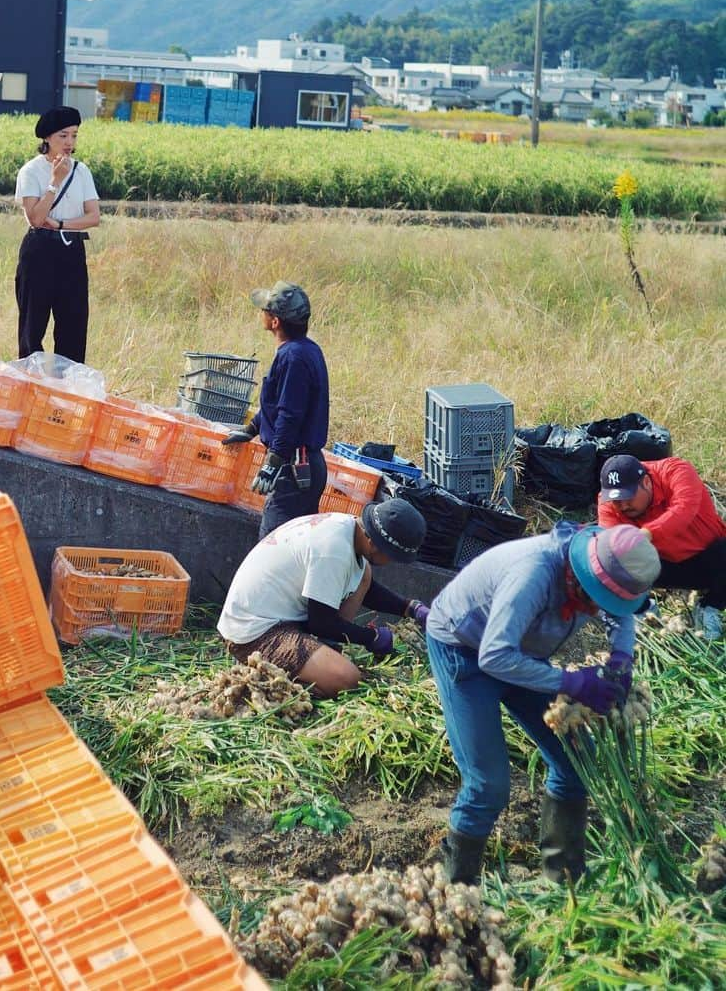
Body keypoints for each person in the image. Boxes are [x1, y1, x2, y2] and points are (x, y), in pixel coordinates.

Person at [425, 523, 661, 885]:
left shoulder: (609, 563)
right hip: (466, 650)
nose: (602, 610)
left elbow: (622, 611)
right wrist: (572, 682)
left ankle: (564, 879)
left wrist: (621, 659)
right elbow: (494, 657)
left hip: (521, 652)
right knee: (488, 784)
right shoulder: (533, 574)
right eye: (600, 601)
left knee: (577, 760)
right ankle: (457, 893)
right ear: (584, 581)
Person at [217, 499, 432, 698]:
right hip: (254, 633)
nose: (391, 562)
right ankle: (288, 681)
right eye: (393, 557)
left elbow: (361, 585)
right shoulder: (333, 551)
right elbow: (321, 623)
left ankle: (320, 657)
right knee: (348, 679)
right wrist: (371, 637)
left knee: (364, 573)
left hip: (277, 615)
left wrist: (408, 608)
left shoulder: (348, 528)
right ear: (376, 544)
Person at [222, 282, 329, 539]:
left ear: (275, 322)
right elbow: (279, 405)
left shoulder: (293, 358)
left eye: (265, 311)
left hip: (293, 471)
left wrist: (273, 462)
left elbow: (290, 415)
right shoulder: (307, 350)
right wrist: (251, 429)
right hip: (306, 466)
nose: (262, 314)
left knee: (272, 548)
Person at [597, 454, 726, 638]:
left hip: (707, 559)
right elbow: (611, 549)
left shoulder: (676, 471)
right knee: (608, 559)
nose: (623, 505)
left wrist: (645, 534)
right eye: (617, 500)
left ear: (647, 482)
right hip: (659, 567)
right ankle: (643, 610)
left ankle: (710, 606)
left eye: (629, 497)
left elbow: (683, 510)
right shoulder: (607, 502)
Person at [14, 107, 100, 363]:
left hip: (72, 250)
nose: (69, 143)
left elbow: (93, 216)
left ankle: (67, 388)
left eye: (74, 136)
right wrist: (54, 182)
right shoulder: (30, 171)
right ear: (48, 138)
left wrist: (62, 223)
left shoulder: (82, 171)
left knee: (73, 325)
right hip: (39, 250)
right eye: (63, 136)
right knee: (33, 324)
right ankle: (30, 382)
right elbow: (36, 218)